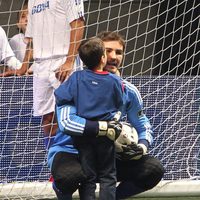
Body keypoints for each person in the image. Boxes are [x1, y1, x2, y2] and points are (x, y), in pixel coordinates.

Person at [48, 31, 165, 200]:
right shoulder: (75, 83)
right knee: (69, 177)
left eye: (118, 52)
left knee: (153, 169)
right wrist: (103, 128)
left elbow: (141, 122)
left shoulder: (128, 90)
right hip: (72, 152)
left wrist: (142, 146)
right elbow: (67, 122)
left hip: (108, 154)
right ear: (98, 55)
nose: (113, 56)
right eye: (108, 50)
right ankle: (60, 190)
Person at [0, 0, 85, 150]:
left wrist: (69, 60)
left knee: (69, 115)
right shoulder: (32, 1)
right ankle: (54, 162)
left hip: (63, 59)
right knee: (47, 118)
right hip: (41, 65)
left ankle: (75, 160)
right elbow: (32, 37)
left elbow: (78, 23)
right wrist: (23, 67)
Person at [55, 37, 124, 200]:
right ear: (103, 58)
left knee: (88, 176)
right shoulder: (114, 80)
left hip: (84, 135)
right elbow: (120, 102)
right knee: (108, 176)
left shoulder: (76, 78)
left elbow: (60, 95)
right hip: (106, 136)